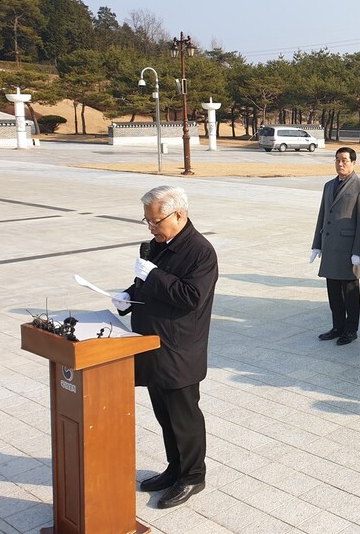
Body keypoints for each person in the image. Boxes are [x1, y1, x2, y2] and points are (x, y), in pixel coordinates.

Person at [111, 185, 218, 509]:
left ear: (179, 215)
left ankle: (192, 476)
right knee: (165, 417)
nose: (151, 227)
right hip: (153, 347)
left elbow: (191, 297)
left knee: (184, 419)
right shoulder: (158, 245)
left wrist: (153, 275)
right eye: (147, 221)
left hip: (179, 351)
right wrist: (128, 296)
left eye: (156, 221)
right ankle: (175, 468)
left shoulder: (200, 252)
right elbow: (147, 282)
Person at [311, 147, 360, 345]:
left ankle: (351, 329)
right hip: (330, 247)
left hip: (348, 250)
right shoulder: (329, 185)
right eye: (338, 159)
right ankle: (337, 326)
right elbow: (323, 215)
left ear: (354, 163)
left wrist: (358, 252)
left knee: (350, 293)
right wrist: (317, 244)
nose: (341, 163)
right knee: (333, 292)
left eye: (345, 160)